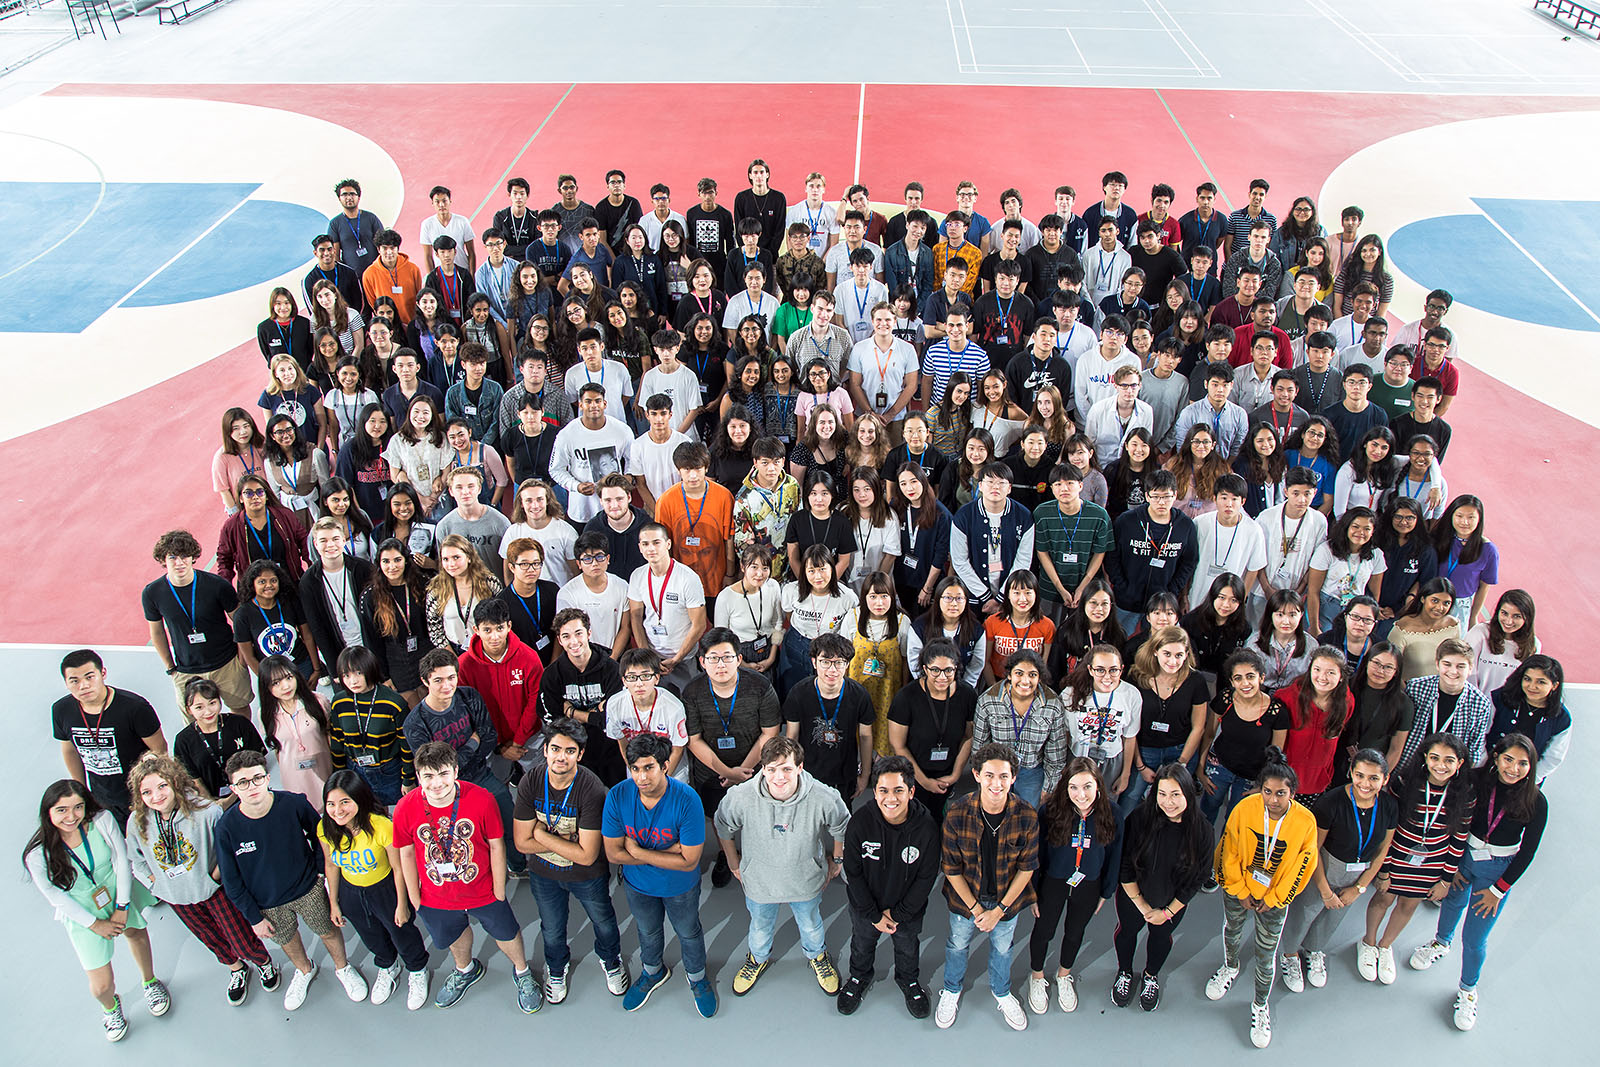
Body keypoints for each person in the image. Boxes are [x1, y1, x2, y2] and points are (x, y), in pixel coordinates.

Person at [1407, 733, 1546, 1030]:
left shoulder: (1537, 800)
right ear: (1495, 757)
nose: (1513, 768)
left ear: (1531, 766)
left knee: (1474, 937)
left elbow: (1528, 852)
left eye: (1522, 763)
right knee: (1452, 903)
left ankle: (1468, 990)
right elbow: (1456, 817)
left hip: (1497, 869)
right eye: (1508, 759)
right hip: (1464, 855)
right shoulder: (1475, 780)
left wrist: (1499, 890)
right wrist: (1452, 865)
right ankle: (1441, 942)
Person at [213, 751, 366, 1010]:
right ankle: (304, 969)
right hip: (267, 902)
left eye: (257, 778)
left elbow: (321, 835)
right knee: (286, 938)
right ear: (233, 788)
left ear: (267, 778)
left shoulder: (293, 803)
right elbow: (231, 879)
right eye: (243, 782)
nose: (252, 787)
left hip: (307, 888)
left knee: (327, 930)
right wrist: (254, 918)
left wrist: (320, 872)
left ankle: (342, 967)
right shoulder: (226, 827)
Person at [393, 741, 539, 1011]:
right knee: (454, 935)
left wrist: (499, 889)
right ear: (418, 776)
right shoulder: (405, 807)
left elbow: (496, 845)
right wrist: (414, 897)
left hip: (483, 890)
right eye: (428, 776)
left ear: (456, 771)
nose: (437, 783)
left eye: (443, 774)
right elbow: (407, 853)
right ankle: (465, 969)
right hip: (435, 896)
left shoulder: (482, 798)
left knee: (506, 933)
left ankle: (522, 971)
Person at [125, 754, 274, 1007]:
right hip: (177, 898)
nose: (156, 796)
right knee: (211, 939)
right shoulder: (138, 821)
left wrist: (214, 878)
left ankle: (263, 962)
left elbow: (228, 849)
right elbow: (136, 859)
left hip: (214, 892)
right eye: (146, 792)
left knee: (241, 939)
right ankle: (237, 969)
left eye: (162, 786)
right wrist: (155, 884)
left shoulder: (207, 812)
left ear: (175, 782)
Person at [25, 779, 168, 1040]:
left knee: (135, 933)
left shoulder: (102, 820)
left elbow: (121, 859)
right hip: (82, 910)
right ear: (47, 812)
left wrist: (122, 905)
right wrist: (94, 924)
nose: (71, 816)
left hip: (117, 891)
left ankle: (150, 982)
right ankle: (110, 1007)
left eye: (77, 807)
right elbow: (54, 894)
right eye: (62, 810)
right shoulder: (37, 854)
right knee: (100, 986)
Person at [510, 718, 631, 1004]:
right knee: (552, 928)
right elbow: (521, 843)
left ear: (580, 754)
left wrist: (541, 833)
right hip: (544, 874)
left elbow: (587, 855)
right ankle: (556, 968)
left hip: (586, 877)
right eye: (555, 749)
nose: (561, 757)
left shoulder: (591, 788)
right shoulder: (531, 780)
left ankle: (611, 960)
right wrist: (568, 841)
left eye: (569, 750)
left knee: (604, 922)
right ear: (545, 750)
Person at [717, 736, 849, 997]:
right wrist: (733, 862)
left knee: (811, 925)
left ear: (800, 767)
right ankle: (757, 958)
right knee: (759, 927)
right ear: (763, 769)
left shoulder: (823, 796)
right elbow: (723, 825)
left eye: (787, 768)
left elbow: (841, 825)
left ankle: (818, 955)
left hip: (805, 881)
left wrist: (838, 859)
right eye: (772, 769)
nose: (779, 777)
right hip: (760, 882)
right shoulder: (741, 796)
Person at [1205, 748, 1317, 1049]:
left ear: (1292, 793)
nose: (1273, 800)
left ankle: (1260, 1005)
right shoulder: (1244, 808)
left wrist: (1277, 898)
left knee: (1266, 954)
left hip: (1274, 899)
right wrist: (1240, 890)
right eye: (1267, 791)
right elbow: (1228, 849)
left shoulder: (1305, 821)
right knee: (1232, 929)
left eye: (1281, 793)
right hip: (1239, 889)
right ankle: (1230, 967)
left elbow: (1304, 865)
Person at [602, 733, 718, 1017]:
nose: (641, 777)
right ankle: (653, 972)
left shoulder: (687, 799)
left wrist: (637, 851)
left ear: (665, 766)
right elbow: (613, 854)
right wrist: (669, 851)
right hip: (638, 885)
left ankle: (697, 977)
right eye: (635, 768)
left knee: (688, 932)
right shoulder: (618, 796)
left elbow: (689, 861)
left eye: (649, 767)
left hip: (679, 886)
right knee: (647, 931)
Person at [934, 742, 1041, 1031]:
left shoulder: (1027, 814)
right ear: (977, 775)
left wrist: (999, 911)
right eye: (990, 775)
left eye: (1004, 776)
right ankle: (951, 989)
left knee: (1003, 949)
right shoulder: (957, 812)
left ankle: (1002, 991)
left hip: (1006, 901)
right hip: (965, 900)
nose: (997, 783)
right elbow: (951, 868)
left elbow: (1027, 868)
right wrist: (977, 909)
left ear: (1014, 778)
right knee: (957, 944)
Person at [1277, 749, 1397, 994]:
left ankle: (1314, 950)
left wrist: (1359, 888)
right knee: (1305, 912)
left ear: (1385, 779)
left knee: (1334, 916)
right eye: (1360, 775)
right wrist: (1324, 889)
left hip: (1357, 875)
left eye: (1374, 778)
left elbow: (1383, 849)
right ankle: (1289, 954)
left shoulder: (1389, 806)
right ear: (1351, 772)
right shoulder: (1331, 802)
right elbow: (1313, 849)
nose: (1365, 784)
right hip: (1323, 869)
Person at [1359, 732, 1473, 986]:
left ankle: (1385, 946)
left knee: (1408, 906)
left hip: (1431, 863)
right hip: (1397, 856)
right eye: (1434, 758)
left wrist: (1445, 880)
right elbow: (1388, 828)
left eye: (1449, 760)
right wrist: (1384, 869)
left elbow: (1459, 840)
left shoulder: (1465, 795)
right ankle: (1368, 942)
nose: (1441, 765)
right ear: (1424, 758)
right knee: (1383, 899)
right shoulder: (1404, 783)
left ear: (1460, 763)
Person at [401, 649, 524, 876]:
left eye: (451, 678)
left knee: (508, 818)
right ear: (425, 681)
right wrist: (471, 743)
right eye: (438, 680)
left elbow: (489, 736)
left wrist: (458, 757)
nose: (447, 685)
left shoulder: (469, 697)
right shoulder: (415, 723)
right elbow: (435, 770)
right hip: (446, 791)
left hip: (481, 775)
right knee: (466, 840)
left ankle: (518, 866)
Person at [316, 771, 431, 1009]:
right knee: (370, 934)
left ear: (359, 798)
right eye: (331, 804)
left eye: (345, 802)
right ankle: (388, 966)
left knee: (401, 932)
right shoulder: (325, 827)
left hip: (385, 890)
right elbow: (331, 864)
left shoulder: (382, 826)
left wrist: (402, 904)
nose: (338, 810)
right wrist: (334, 902)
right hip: (351, 891)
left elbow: (398, 868)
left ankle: (417, 969)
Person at [838, 753, 940, 1016]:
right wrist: (873, 914)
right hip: (866, 907)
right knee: (862, 944)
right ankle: (858, 977)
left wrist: (898, 914)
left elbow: (926, 878)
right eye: (883, 790)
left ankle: (908, 980)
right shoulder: (860, 822)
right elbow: (853, 872)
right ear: (874, 792)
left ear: (911, 792)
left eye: (898, 790)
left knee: (907, 946)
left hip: (906, 910)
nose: (890, 798)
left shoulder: (927, 827)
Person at [1112, 763, 1213, 1013]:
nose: (1168, 802)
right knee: (1127, 932)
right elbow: (1124, 864)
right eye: (1162, 794)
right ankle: (1124, 971)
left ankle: (1151, 975)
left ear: (1188, 793)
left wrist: (1167, 912)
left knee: (1160, 937)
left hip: (1171, 901)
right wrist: (1142, 905)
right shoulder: (1139, 818)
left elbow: (1197, 878)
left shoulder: (1202, 830)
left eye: (1176, 794)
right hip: (1133, 896)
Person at [1026, 758, 1124, 1015]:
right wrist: (1032, 891)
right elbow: (1037, 855)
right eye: (1074, 787)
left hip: (1089, 883)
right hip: (1054, 881)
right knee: (1043, 930)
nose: (1081, 795)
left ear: (1098, 786)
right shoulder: (1049, 812)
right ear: (1065, 787)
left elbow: (1115, 855)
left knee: (1075, 931)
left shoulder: (1113, 814)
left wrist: (1106, 891)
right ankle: (1037, 976)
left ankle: (1064, 974)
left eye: (1087, 787)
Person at [52, 649, 165, 827]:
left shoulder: (135, 707)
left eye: (89, 677)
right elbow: (70, 751)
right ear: (66, 683)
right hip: (101, 798)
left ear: (103, 673)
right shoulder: (61, 710)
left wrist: (151, 791)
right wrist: (81, 791)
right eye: (74, 681)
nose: (83, 686)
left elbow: (159, 749)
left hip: (141, 796)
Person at [1199, 650, 1291, 824]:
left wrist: (1263, 785)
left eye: (1250, 676)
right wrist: (1200, 768)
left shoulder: (1277, 711)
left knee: (1236, 821)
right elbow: (1209, 734)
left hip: (1252, 775)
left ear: (1261, 678)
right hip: (1219, 766)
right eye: (1238, 678)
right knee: (1207, 811)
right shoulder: (1226, 698)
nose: (1245, 683)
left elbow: (1276, 755)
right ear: (1232, 682)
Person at [458, 598, 544, 784]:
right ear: (476, 630)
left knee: (540, 781)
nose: (495, 636)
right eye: (487, 630)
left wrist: (518, 741)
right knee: (495, 787)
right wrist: (498, 745)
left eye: (499, 628)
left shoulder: (529, 658)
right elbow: (469, 711)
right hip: (488, 740)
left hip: (529, 736)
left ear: (509, 626)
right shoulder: (464, 665)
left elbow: (534, 703)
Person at [1103, 470, 1199, 635]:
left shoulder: (1185, 525)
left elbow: (1189, 561)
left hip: (1162, 604)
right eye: (1155, 496)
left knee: (1157, 644)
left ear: (1175, 495)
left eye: (1166, 497)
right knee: (1119, 640)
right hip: (1127, 599)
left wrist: (1173, 589)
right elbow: (1111, 555)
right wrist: (1121, 584)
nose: (1161, 502)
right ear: (1147, 496)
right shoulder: (1127, 521)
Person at [972, 650, 1066, 809]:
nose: (1025, 681)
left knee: (1026, 816)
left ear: (1039, 678)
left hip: (1031, 772)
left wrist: (1048, 788)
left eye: (1032, 675)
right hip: (997, 770)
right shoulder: (988, 701)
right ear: (1009, 675)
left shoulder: (1053, 705)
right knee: (995, 813)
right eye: (1019, 673)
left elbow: (1056, 756)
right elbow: (979, 748)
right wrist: (984, 782)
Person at [627, 522, 709, 691]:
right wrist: (647, 656)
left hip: (684, 658)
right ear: (640, 548)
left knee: (688, 700)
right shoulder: (637, 576)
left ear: (668, 544)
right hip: (653, 658)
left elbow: (699, 624)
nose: (651, 548)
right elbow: (635, 617)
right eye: (645, 544)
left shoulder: (688, 578)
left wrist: (677, 658)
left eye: (656, 542)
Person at [326, 646, 413, 804]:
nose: (353, 681)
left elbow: (406, 744)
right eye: (346, 675)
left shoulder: (394, 703)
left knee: (397, 813)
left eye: (358, 673)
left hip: (389, 771)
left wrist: (408, 778)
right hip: (354, 770)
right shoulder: (339, 702)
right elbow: (337, 741)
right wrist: (339, 776)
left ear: (370, 669)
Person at [1396, 638, 1495, 768]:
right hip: (1410, 765)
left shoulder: (1480, 703)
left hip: (1447, 772)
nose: (1453, 671)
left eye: (1460, 666)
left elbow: (1474, 750)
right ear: (1437, 664)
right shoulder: (1416, 688)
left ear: (1470, 668)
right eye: (1447, 664)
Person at [549, 382, 635, 524]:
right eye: (588, 401)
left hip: (616, 509)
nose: (593, 405)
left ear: (605, 404)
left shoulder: (622, 430)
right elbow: (556, 469)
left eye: (598, 401)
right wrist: (576, 486)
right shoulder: (567, 434)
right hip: (582, 509)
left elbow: (634, 460)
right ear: (580, 405)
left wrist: (629, 476)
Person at [172, 678, 266, 803]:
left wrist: (232, 798)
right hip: (210, 802)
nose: (208, 711)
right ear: (189, 710)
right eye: (199, 707)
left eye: (212, 703)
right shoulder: (183, 740)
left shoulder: (240, 724)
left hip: (250, 793)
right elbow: (193, 779)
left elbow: (258, 763)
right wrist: (213, 805)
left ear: (220, 702)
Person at [1278, 647, 1355, 795]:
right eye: (1317, 669)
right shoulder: (1286, 698)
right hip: (1285, 780)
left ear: (1341, 676)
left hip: (1318, 783)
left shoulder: (1347, 702)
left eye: (1331, 672)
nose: (1322, 677)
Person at [301, 519, 375, 668]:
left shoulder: (364, 569)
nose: (330, 545)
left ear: (343, 540)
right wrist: (333, 668)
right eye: (323, 540)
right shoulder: (308, 582)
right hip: (340, 654)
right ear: (316, 544)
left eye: (335, 539)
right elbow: (317, 628)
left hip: (371, 646)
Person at [1487, 656, 1570, 778]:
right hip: (1488, 769)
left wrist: (1530, 780)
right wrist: (1485, 767)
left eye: (1541, 682)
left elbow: (1553, 758)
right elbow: (1481, 734)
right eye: (1527, 679)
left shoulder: (1562, 718)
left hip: (1527, 778)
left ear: (1554, 685)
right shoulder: (1499, 698)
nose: (1532, 686)